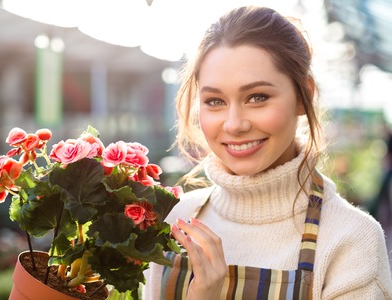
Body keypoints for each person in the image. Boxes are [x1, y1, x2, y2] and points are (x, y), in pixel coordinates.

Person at [143, 6, 392, 300]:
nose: (234, 124)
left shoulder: (350, 239)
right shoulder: (178, 218)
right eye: (214, 101)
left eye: (257, 97)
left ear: (303, 96)